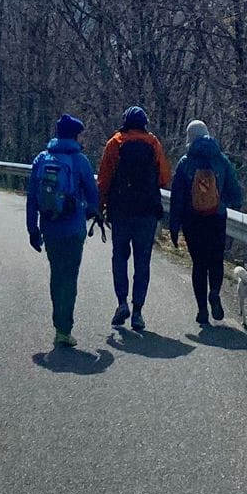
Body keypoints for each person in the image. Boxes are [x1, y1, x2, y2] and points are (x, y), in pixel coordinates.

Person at [26, 114, 100, 348]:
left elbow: (31, 199)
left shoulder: (42, 158)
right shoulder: (80, 161)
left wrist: (32, 230)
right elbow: (92, 194)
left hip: (49, 227)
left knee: (57, 275)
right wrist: (91, 211)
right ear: (75, 135)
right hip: (73, 227)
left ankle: (59, 323)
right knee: (69, 277)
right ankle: (63, 329)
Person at [96, 105, 171, 332]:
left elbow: (104, 180)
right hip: (147, 213)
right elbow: (165, 178)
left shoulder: (115, 143)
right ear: (145, 123)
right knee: (142, 261)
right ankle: (138, 310)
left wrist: (100, 208)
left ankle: (121, 302)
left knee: (119, 257)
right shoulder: (153, 144)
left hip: (121, 212)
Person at [169, 121, 244, 326]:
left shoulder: (185, 162)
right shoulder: (221, 159)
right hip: (216, 218)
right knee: (216, 260)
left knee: (199, 264)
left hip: (192, 221)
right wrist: (226, 203)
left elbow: (177, 197)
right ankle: (214, 293)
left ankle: (202, 309)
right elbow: (235, 192)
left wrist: (174, 226)